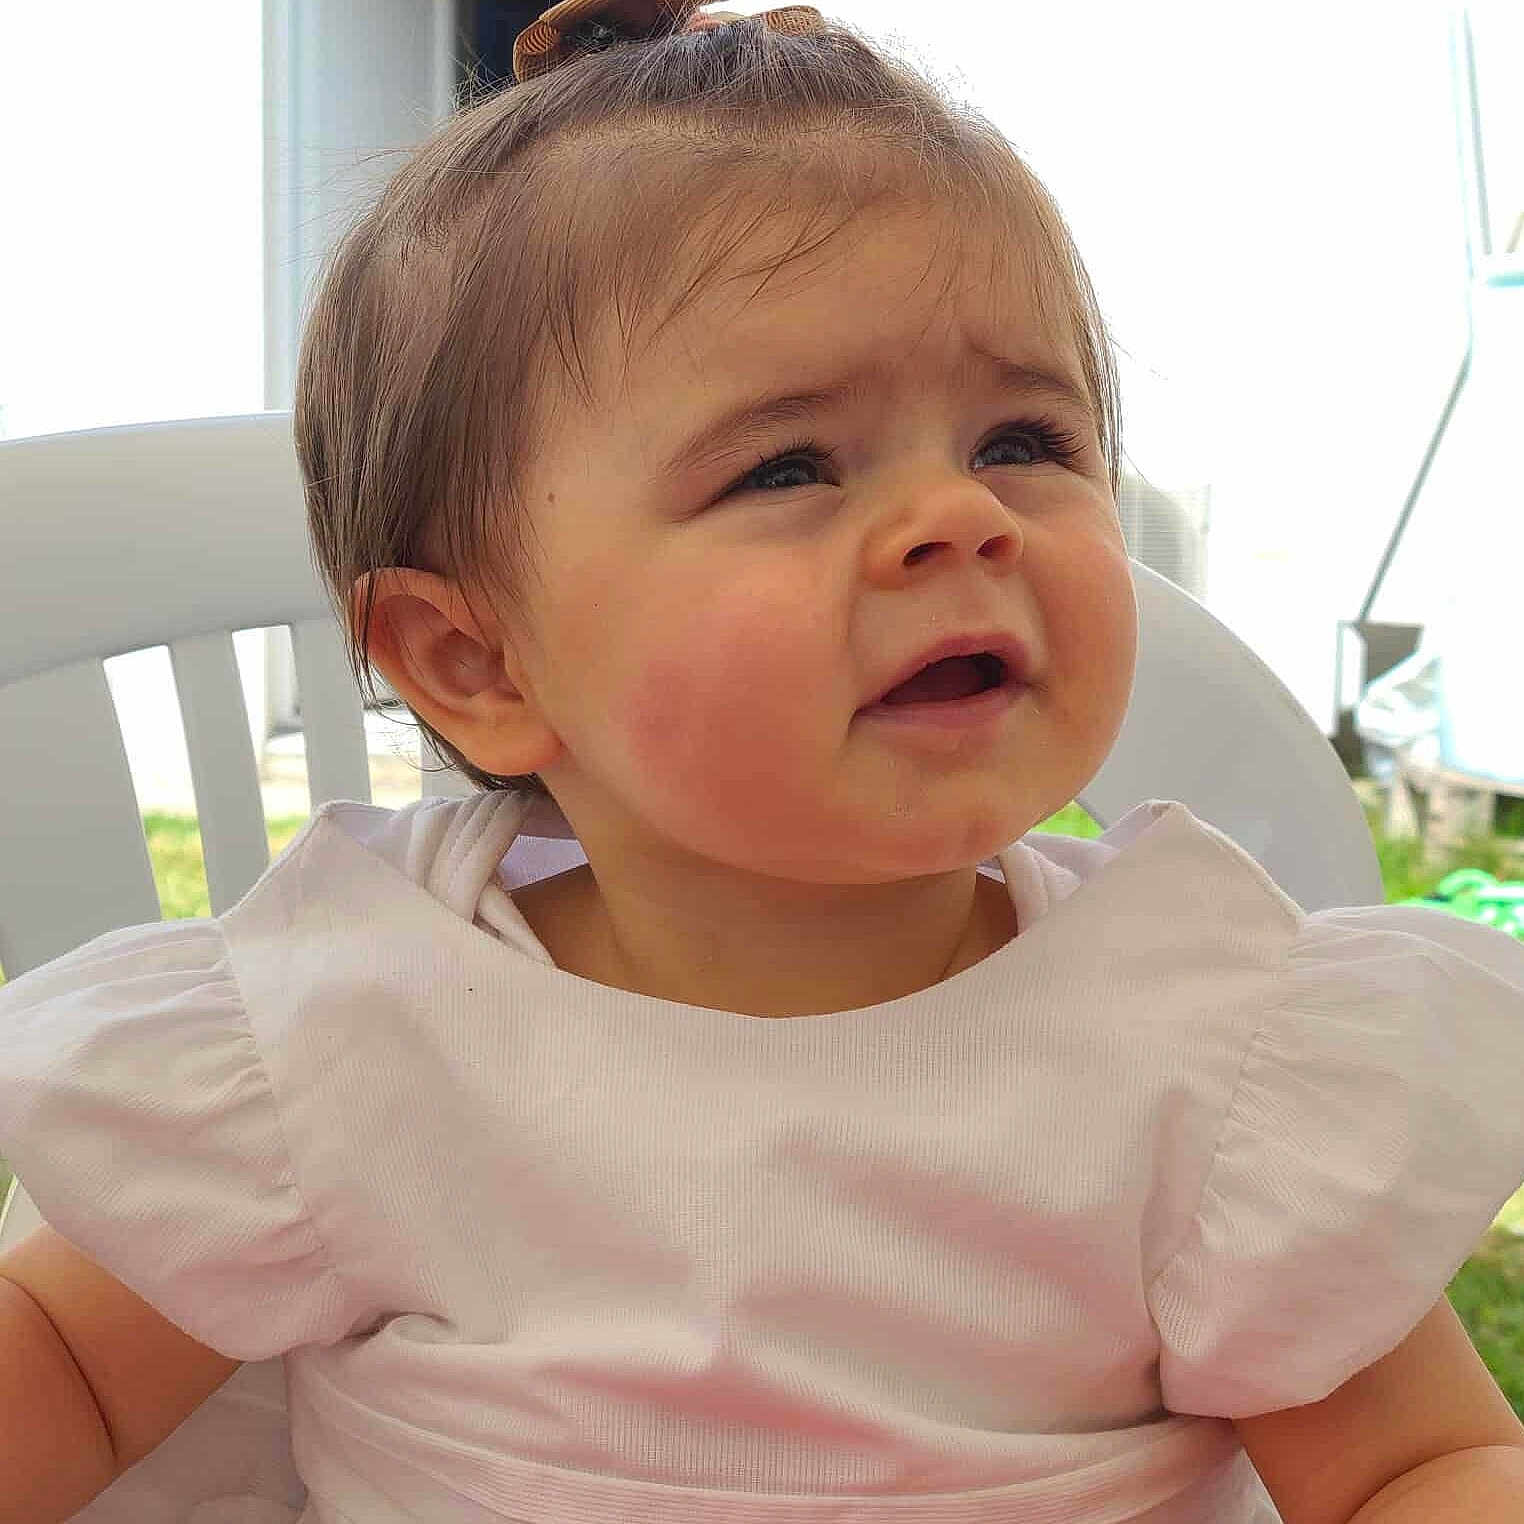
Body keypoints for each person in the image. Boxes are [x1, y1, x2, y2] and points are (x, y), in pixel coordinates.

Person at [3, 4, 1524, 1520]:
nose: (965, 516)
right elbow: (64, 1364)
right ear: (479, 663)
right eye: (788, 465)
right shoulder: (352, 1025)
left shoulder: (1201, 1046)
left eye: (1023, 442)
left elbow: (1417, 1466)